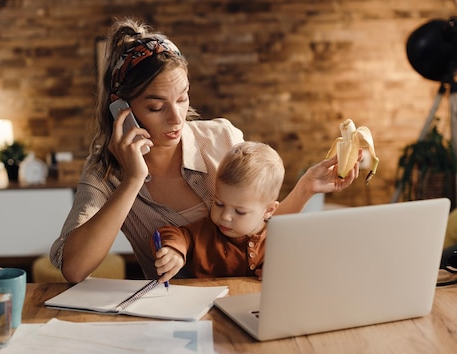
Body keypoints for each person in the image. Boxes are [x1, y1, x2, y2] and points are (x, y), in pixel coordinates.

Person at [50, 17, 360, 284]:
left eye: (182, 98)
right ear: (122, 109)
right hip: (171, 313)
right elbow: (74, 269)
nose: (176, 118)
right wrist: (132, 180)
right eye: (156, 107)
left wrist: (306, 187)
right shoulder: (104, 171)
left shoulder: (222, 138)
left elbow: (261, 228)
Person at [152, 141, 284, 281]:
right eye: (219, 204)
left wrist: (280, 270)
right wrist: (174, 250)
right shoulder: (204, 232)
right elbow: (171, 233)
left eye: (239, 212)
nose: (225, 216)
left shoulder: (279, 241)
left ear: (268, 210)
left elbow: (297, 267)